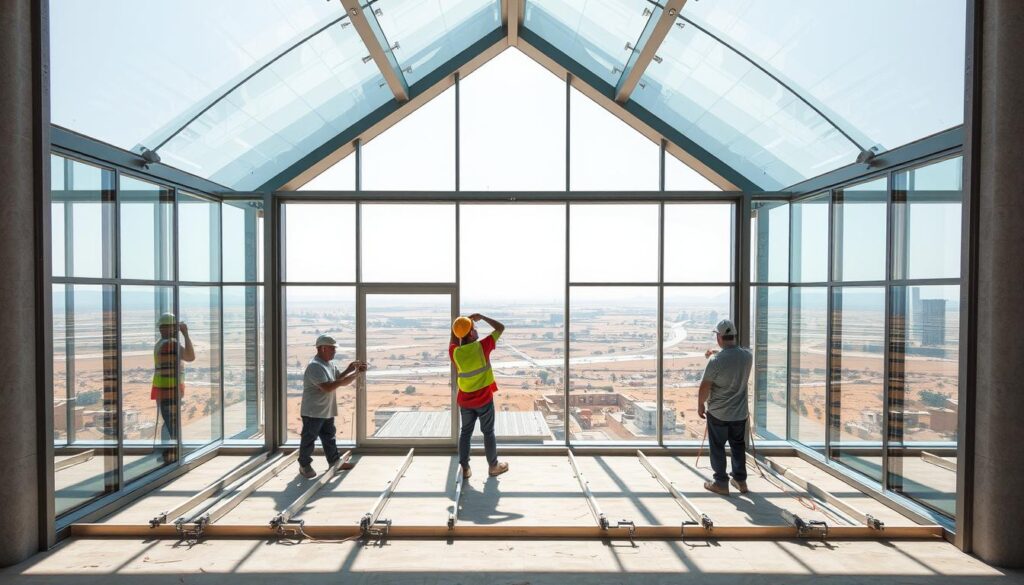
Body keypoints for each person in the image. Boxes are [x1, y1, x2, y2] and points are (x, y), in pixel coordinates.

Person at [449, 313, 509, 479]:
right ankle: (493, 466)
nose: (477, 331)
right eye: (474, 329)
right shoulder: (483, 346)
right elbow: (500, 328)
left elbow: (453, 338)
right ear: (470, 334)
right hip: (483, 399)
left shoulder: (455, 352)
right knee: (488, 432)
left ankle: (465, 468)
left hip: (465, 401)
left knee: (465, 433)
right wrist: (481, 317)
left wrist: (461, 325)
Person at [698, 319, 753, 496]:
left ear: (720, 337)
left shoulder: (715, 361)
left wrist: (700, 404)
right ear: (734, 336)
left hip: (719, 413)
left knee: (717, 447)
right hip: (740, 413)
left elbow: (705, 386)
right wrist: (715, 353)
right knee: (738, 446)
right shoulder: (747, 356)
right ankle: (740, 480)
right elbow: (733, 356)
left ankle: (721, 483)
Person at [299, 334, 365, 479]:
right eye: (332, 349)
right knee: (309, 439)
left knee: (329, 437)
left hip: (325, 409)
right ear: (322, 348)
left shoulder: (328, 364)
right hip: (313, 412)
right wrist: (354, 375)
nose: (334, 351)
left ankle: (335, 462)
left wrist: (350, 370)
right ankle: (304, 465)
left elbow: (337, 378)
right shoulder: (315, 366)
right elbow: (328, 387)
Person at [152, 312, 195, 464]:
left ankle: (169, 453)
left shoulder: (160, 343)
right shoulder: (170, 344)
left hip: (164, 388)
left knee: (169, 421)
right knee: (172, 422)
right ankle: (172, 454)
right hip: (170, 389)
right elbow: (190, 357)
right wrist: (186, 334)